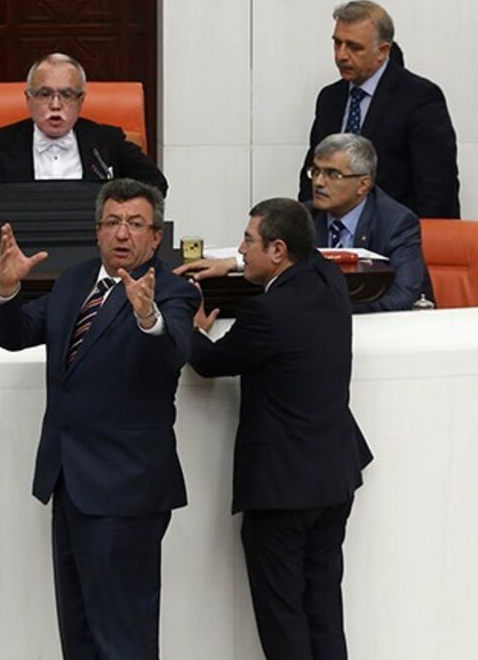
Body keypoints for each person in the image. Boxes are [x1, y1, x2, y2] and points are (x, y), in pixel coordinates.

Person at [0, 178, 200, 659]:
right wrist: (6, 288)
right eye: (112, 222)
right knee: (79, 630)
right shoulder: (75, 280)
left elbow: (173, 354)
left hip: (126, 488)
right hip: (69, 480)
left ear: (156, 237)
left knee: (123, 634)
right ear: (97, 230)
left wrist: (147, 318)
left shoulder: (170, 292)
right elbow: (15, 334)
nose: (122, 234)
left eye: (135, 224)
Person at [188, 198, 372, 659]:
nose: (242, 250)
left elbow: (209, 363)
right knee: (324, 607)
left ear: (277, 250)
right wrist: (231, 262)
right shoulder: (328, 281)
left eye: (248, 242)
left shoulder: (266, 315)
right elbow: (311, 254)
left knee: (283, 617)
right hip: (333, 479)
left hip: (282, 491)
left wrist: (193, 329)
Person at [179, 133, 433, 314]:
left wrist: (333, 312)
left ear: (363, 184)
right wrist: (233, 263)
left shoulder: (397, 222)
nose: (319, 183)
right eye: (316, 171)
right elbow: (275, 254)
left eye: (333, 174)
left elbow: (403, 296)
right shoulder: (305, 215)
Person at [0, 53, 168, 251]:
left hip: (96, 262)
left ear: (81, 100)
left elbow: (156, 185)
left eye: (67, 95)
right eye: (44, 94)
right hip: (18, 264)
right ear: (28, 98)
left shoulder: (107, 142)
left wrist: (124, 221)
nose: (55, 105)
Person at [299, 0, 459, 219]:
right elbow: (312, 173)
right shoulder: (330, 98)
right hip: (332, 237)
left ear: (383, 51)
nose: (341, 56)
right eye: (338, 43)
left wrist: (415, 244)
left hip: (392, 238)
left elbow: (437, 188)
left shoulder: (419, 98)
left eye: (354, 47)